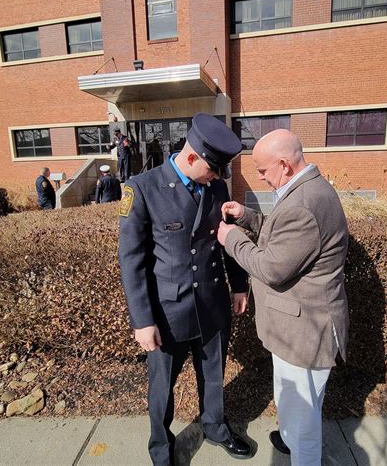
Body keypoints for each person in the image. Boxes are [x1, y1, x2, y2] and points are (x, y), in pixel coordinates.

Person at [118, 113, 252, 465]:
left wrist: (239, 286)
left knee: (213, 373)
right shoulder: (141, 188)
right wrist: (142, 320)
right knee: (162, 388)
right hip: (167, 312)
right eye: (212, 169)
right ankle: (161, 449)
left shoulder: (216, 188)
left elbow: (228, 239)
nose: (217, 178)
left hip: (212, 303)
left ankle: (215, 427)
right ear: (191, 157)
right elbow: (132, 261)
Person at [217, 129, 349, 466]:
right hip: (300, 326)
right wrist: (247, 218)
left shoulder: (303, 203)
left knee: (303, 420)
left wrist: (231, 238)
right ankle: (289, 436)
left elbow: (272, 267)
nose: (259, 178)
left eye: (262, 170)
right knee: (292, 402)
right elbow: (285, 237)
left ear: (284, 165)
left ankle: (300, 449)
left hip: (305, 330)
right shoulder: (306, 190)